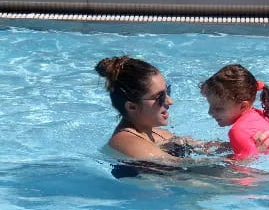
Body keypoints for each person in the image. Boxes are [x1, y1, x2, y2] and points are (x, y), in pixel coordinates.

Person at [95, 55, 230, 165]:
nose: (170, 101)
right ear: (132, 107)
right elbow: (181, 165)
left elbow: (205, 147)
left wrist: (238, 145)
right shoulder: (125, 141)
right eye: (159, 97)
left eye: (168, 91)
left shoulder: (157, 133)